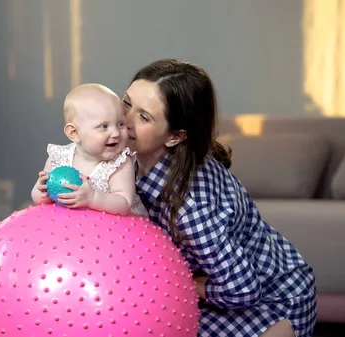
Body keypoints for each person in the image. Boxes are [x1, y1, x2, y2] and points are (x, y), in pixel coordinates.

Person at [122, 59, 317, 337]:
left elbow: (242, 290)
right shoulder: (133, 156)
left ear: (175, 137)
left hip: (272, 299)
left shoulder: (190, 208)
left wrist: (177, 278)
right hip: (219, 287)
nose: (125, 120)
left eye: (144, 117)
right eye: (127, 103)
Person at [31, 83, 148, 217]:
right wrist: (43, 192)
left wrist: (93, 198)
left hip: (116, 229)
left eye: (120, 124)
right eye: (104, 126)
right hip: (76, 225)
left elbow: (124, 203)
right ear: (74, 133)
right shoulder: (59, 157)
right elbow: (38, 198)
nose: (115, 133)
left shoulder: (119, 163)